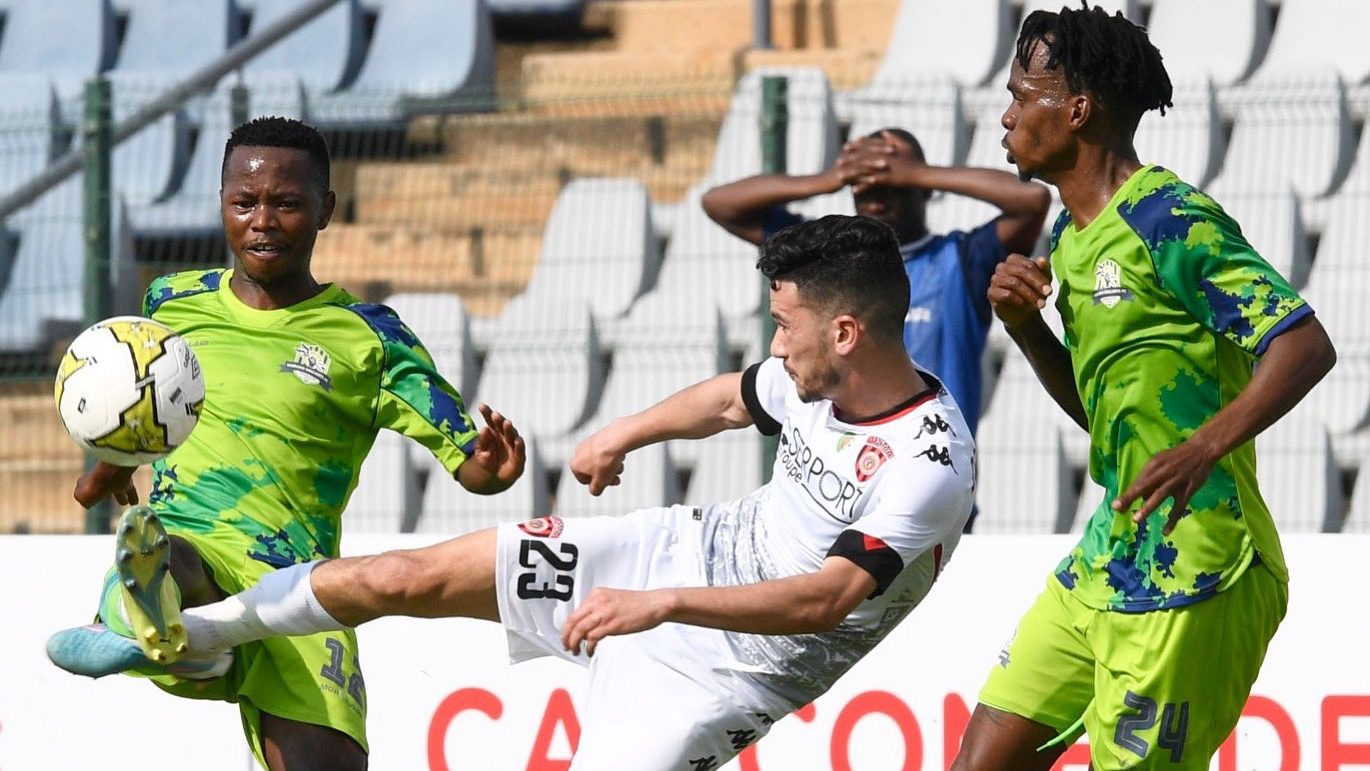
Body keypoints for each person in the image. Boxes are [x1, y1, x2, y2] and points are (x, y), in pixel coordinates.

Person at [51, 215, 976, 770]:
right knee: (401, 576)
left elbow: (822, 600)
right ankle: (189, 634)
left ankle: (193, 640)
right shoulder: (814, 375)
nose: (775, 345)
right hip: (669, 553)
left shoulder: (927, 465)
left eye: (784, 326)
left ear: (845, 332)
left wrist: (658, 605)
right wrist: (623, 432)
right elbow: (732, 400)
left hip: (728, 673)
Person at [46, 117, 526, 771]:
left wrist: (493, 466)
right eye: (244, 203)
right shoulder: (172, 303)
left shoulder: (369, 337)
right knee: (169, 554)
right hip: (196, 543)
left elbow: (470, 463)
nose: (262, 222)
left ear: (325, 209)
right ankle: (151, 613)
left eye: (287, 203)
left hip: (300, 587)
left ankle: (188, 645)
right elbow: (146, 403)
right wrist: (110, 467)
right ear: (221, 204)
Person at [950, 5, 1337, 770]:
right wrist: (1026, 328)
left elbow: (1304, 344)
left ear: (1077, 110)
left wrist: (1204, 446)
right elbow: (1100, 414)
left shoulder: (1169, 218)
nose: (1007, 116)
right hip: (1110, 552)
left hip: (1199, 562)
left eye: (1022, 97)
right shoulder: (1069, 238)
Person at [702, 126, 1051, 436]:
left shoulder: (961, 260)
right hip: (834, 465)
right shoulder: (823, 261)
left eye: (892, 184)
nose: (877, 197)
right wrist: (830, 178)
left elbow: (1032, 200)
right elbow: (719, 204)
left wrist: (917, 173)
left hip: (930, 461)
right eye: (864, 184)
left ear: (923, 189)